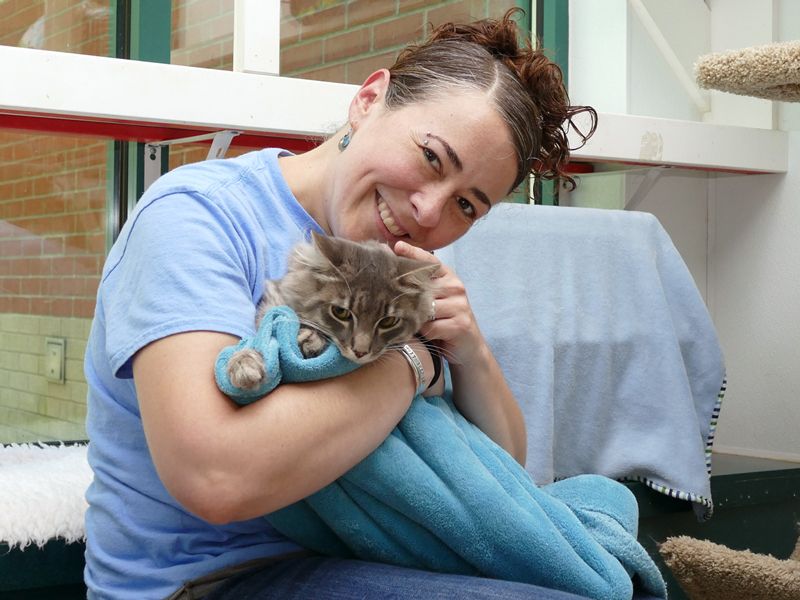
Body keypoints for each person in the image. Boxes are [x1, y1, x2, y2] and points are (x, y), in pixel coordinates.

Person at [83, 8, 600, 600]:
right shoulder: (197, 217)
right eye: (432, 158)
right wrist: (413, 363)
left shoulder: (400, 259)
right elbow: (216, 477)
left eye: (467, 206)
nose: (429, 211)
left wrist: (470, 352)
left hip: (350, 558)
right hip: (203, 581)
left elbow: (497, 479)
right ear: (369, 99)